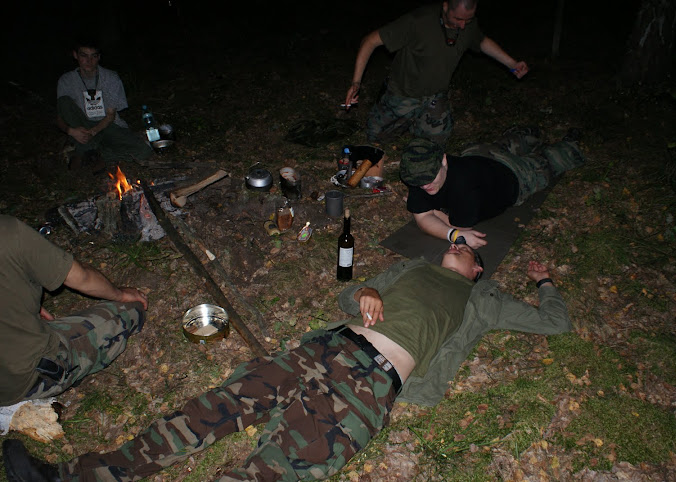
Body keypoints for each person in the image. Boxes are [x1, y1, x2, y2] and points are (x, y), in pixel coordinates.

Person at [3, 243, 571, 481]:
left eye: (467, 247)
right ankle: (80, 476)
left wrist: (544, 281)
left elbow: (554, 322)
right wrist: (366, 290)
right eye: (454, 240)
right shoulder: (412, 267)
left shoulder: (481, 297)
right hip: (322, 350)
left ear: (477, 269)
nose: (457, 244)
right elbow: (351, 296)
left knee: (269, 472)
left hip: (366, 389)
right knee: (208, 411)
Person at [0, 215, 148, 408]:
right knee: (132, 309)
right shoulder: (7, 232)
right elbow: (81, 277)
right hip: (23, 378)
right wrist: (120, 294)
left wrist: (20, 302)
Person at [344, 0, 529, 144]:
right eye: (458, 19)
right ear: (445, 6)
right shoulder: (418, 21)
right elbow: (370, 41)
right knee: (374, 138)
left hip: (434, 98)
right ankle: (403, 118)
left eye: (468, 20)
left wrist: (512, 63)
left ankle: (419, 122)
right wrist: (356, 83)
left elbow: (481, 42)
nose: (463, 25)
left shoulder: (468, 24)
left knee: (435, 144)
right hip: (403, 94)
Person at [400, 127, 586, 249]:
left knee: (549, 161)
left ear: (444, 161)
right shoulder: (418, 172)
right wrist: (452, 234)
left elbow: (455, 225)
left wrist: (432, 211)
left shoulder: (465, 188)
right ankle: (528, 135)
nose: (424, 185)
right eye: (419, 181)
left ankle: (570, 145)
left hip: (516, 176)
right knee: (510, 143)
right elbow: (424, 219)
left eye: (429, 178)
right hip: (480, 154)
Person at [56, 39, 153, 172]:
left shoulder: (110, 77)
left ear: (99, 57)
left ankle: (99, 155)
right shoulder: (66, 80)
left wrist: (93, 132)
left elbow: (110, 116)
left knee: (143, 151)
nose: (89, 61)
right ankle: (88, 151)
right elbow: (60, 115)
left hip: (107, 125)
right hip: (82, 126)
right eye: (84, 56)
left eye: (93, 56)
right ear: (75, 55)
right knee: (64, 101)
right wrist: (71, 131)